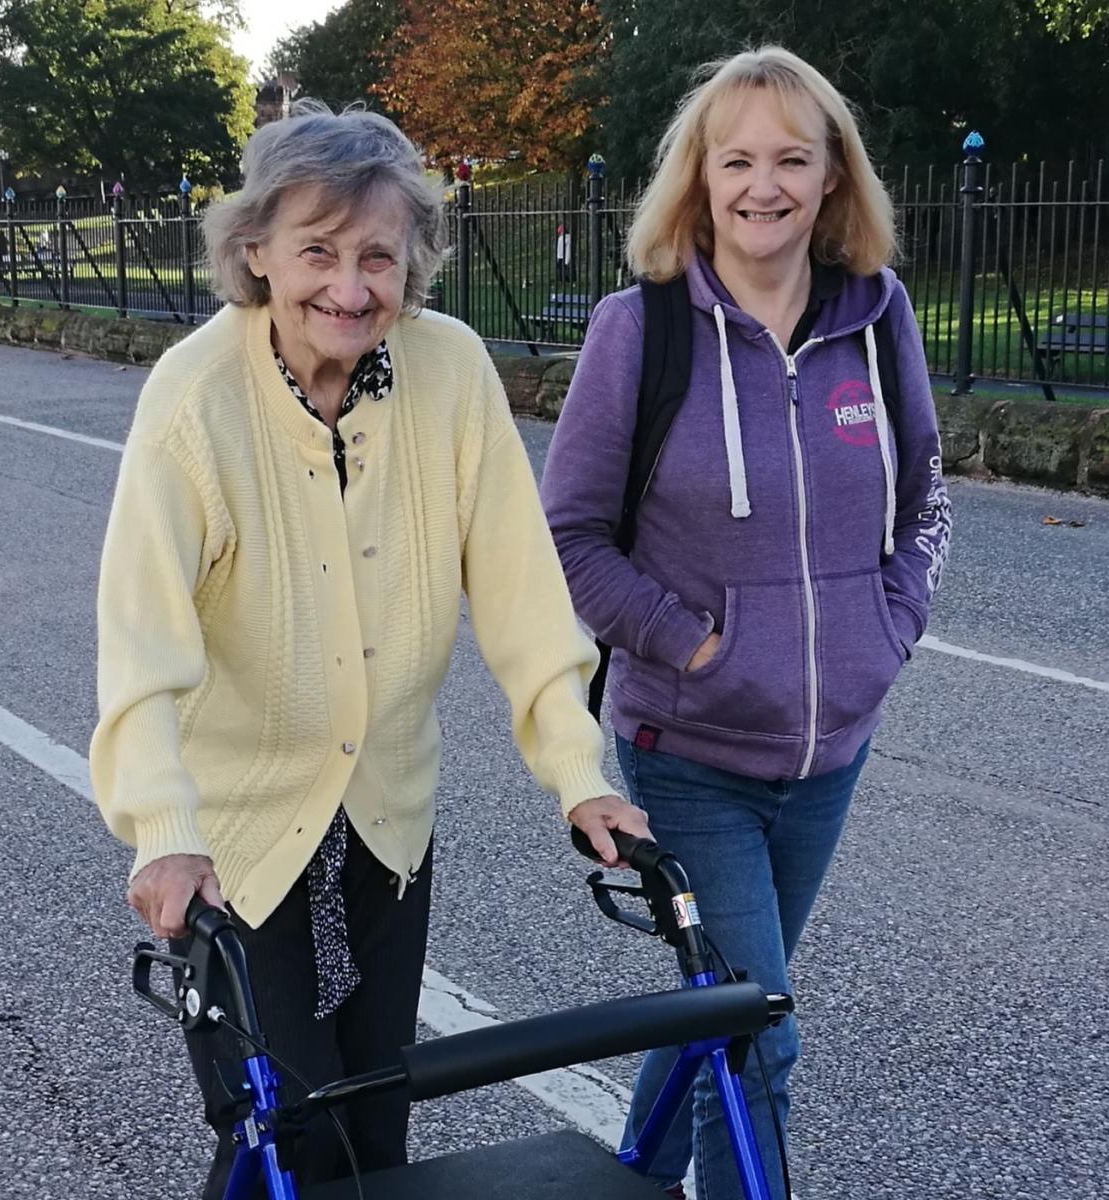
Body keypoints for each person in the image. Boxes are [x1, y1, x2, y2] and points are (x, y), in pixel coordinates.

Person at [90, 100, 651, 1199]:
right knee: (282, 1126)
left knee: (378, 1124)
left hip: (387, 821)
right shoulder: (194, 401)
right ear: (254, 250)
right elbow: (140, 638)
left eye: (378, 257)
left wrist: (579, 776)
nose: (349, 288)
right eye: (317, 252)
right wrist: (163, 831)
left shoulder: (451, 374)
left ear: (414, 266)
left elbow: (523, 591)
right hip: (239, 843)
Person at [539, 46, 952, 1200]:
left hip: (830, 754)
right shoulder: (643, 330)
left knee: (712, 1006)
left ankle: (631, 1179)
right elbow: (567, 539)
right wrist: (693, 643)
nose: (762, 184)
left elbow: (926, 497)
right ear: (699, 180)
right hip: (692, 756)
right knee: (757, 1032)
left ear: (832, 180)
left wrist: (891, 624)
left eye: (791, 159)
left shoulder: (877, 322)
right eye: (737, 160)